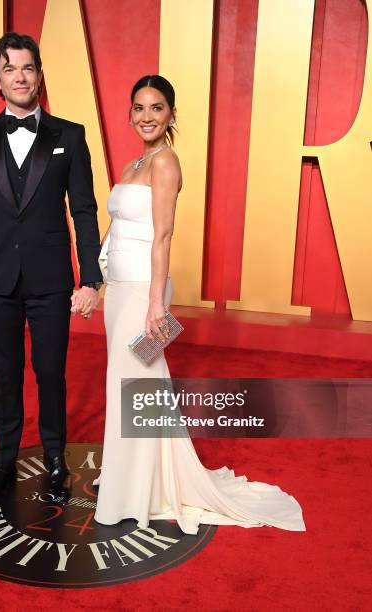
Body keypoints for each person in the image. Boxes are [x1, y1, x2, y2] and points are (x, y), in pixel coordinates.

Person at [91, 75, 305, 534]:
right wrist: (94, 281)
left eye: (157, 108)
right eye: (139, 108)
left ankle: (136, 491)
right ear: (130, 113)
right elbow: (117, 230)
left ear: (172, 115)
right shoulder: (132, 164)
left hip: (144, 291)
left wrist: (154, 304)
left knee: (134, 384)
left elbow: (163, 235)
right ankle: (136, 482)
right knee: (132, 384)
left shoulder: (165, 162)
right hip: (120, 289)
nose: (146, 116)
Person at [0, 32, 103, 512]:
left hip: (52, 278)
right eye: (10, 68)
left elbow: (83, 209)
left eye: (28, 67)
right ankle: (3, 464)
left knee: (50, 370)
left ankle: (56, 458)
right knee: (5, 374)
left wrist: (91, 278)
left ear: (40, 75)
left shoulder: (70, 134)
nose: (20, 77)